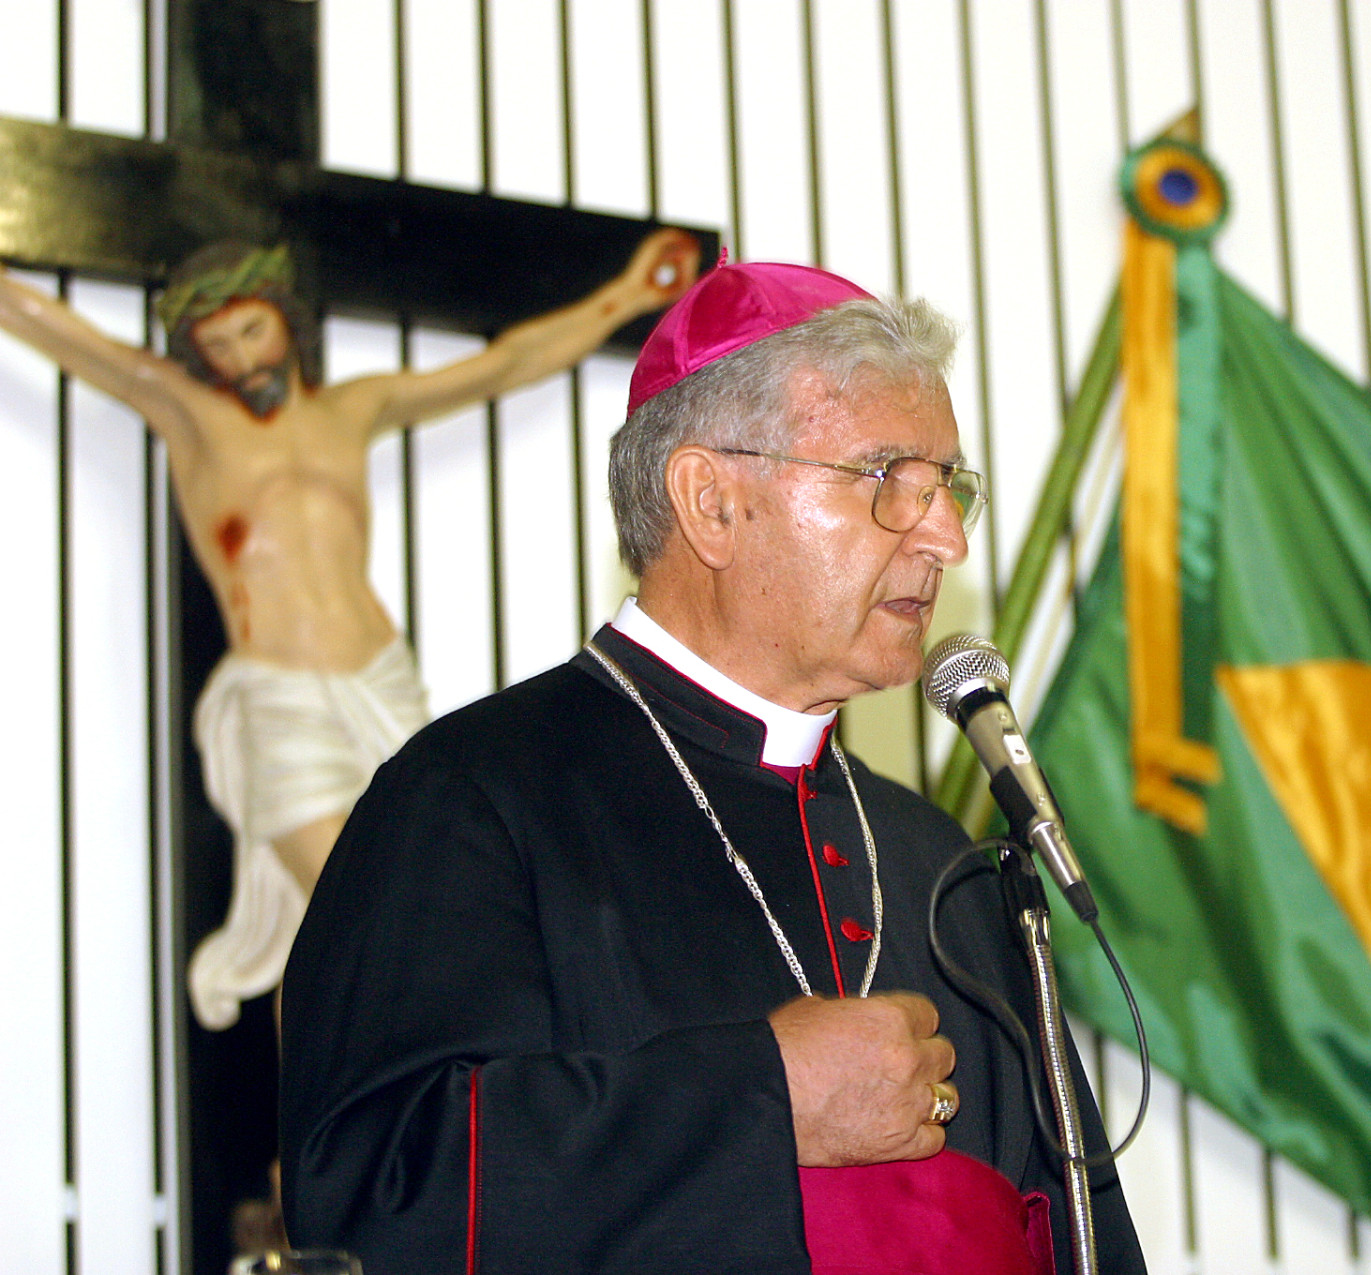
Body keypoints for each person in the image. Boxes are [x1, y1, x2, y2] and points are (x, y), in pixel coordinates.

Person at [277, 259, 1144, 1274]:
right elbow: (373, 1192)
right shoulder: (470, 796)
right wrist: (764, 1097)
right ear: (710, 503)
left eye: (949, 488)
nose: (946, 537)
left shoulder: (935, 859)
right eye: (889, 483)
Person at [0, 230, 701, 1029]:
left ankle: (332, 1142)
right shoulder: (186, 412)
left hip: (380, 686)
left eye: (253, 330)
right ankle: (321, 1141)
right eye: (218, 345)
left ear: (287, 323)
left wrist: (631, 295)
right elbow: (63, 331)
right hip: (280, 700)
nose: (243, 359)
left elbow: (504, 363)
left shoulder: (350, 409)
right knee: (354, 897)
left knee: (384, 911)